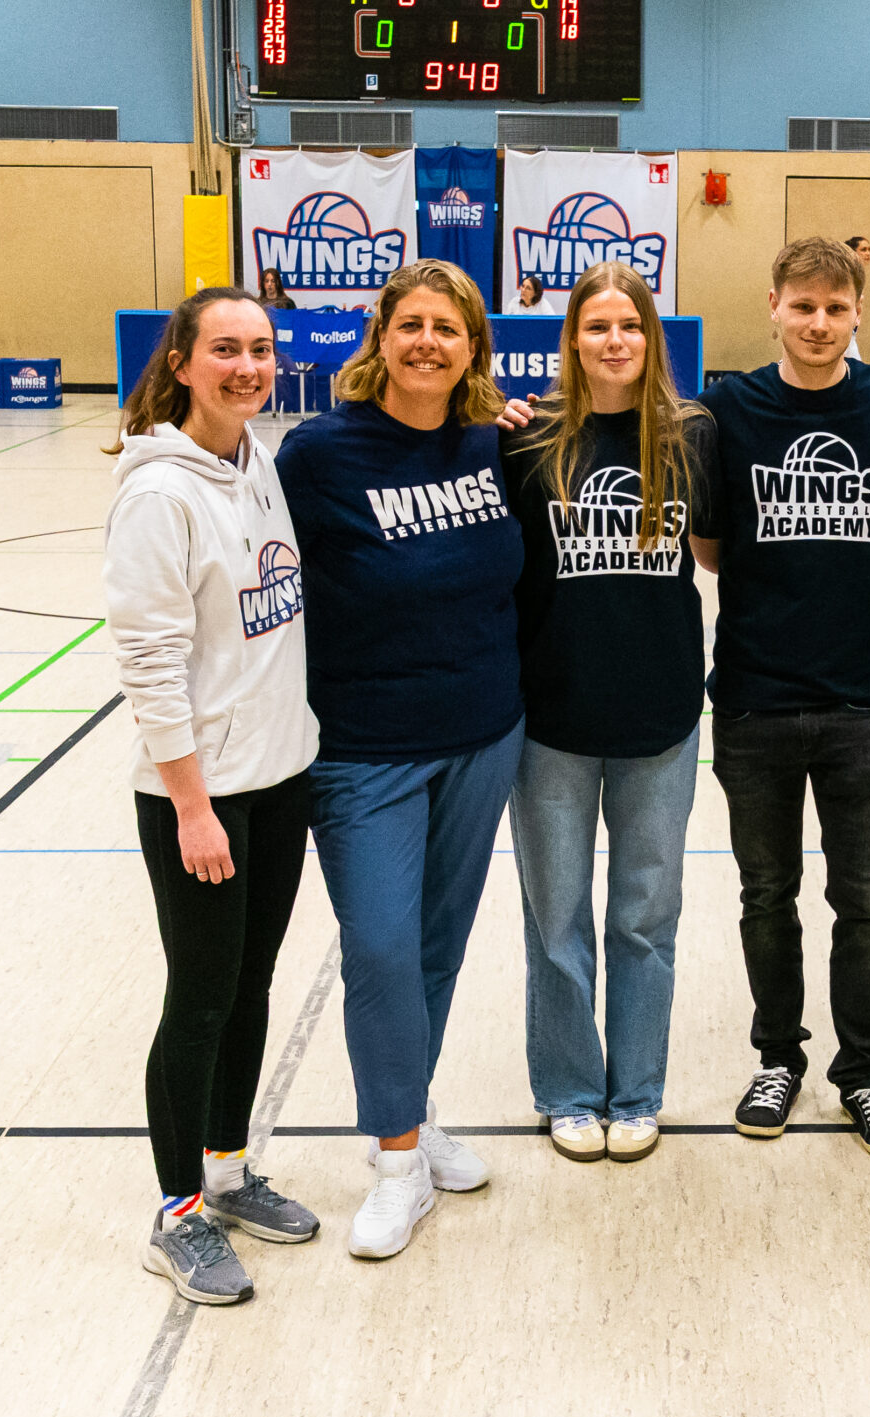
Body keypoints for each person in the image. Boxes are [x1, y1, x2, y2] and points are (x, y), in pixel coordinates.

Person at [275, 260, 523, 1260]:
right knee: (378, 951)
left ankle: (413, 1122)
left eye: (448, 328)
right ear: (380, 336)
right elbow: (263, 589)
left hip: (482, 734)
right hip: (363, 752)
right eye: (411, 323)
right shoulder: (318, 454)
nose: (428, 341)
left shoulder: (490, 445)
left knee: (435, 949)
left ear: (472, 349)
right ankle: (393, 1167)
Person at [690, 237, 870, 1159]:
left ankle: (865, 1076)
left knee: (867, 900)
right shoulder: (727, 410)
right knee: (766, 895)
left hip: (858, 698)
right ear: (774, 306)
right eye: (804, 306)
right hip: (751, 697)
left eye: (837, 308)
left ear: (859, 313)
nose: (820, 323)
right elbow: (711, 546)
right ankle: (778, 1058)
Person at [104, 287, 321, 1307]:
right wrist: (192, 805)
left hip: (278, 779)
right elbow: (148, 661)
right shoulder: (160, 492)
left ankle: (229, 1171)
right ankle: (177, 1211)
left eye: (262, 350)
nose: (247, 367)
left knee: (251, 987)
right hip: (204, 796)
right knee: (197, 1000)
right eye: (226, 350)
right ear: (183, 363)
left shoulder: (256, 461)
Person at [503, 263, 716, 1164]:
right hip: (551, 720)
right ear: (573, 339)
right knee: (556, 922)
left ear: (651, 336)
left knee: (642, 918)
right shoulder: (528, 439)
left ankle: (637, 1089)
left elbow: (719, 553)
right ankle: (568, 1089)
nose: (614, 341)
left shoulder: (693, 436)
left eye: (629, 324)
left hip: (659, 719)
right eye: (597, 326)